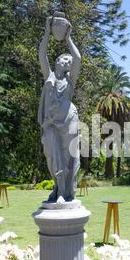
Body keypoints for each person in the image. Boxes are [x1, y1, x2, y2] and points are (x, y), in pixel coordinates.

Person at [38, 14, 81, 203]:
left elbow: (78, 58)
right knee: (52, 156)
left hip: (69, 119)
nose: (69, 62)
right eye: (66, 60)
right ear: (57, 61)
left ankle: (65, 192)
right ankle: (58, 187)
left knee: (69, 155)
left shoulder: (70, 80)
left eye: (70, 62)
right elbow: (41, 54)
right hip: (51, 123)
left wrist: (69, 37)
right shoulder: (48, 75)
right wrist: (48, 33)